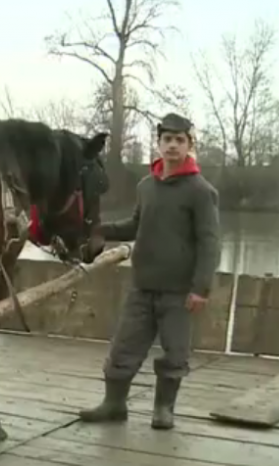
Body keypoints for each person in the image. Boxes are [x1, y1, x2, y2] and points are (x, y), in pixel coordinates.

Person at [78, 112, 221, 430]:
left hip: (180, 292)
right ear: (158, 144)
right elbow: (135, 225)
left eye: (179, 140)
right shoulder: (146, 186)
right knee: (123, 348)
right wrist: (99, 230)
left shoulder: (201, 191)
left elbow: (210, 244)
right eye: (167, 140)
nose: (172, 146)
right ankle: (114, 405)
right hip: (142, 286)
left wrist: (201, 288)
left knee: (175, 354)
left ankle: (163, 409)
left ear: (189, 145)